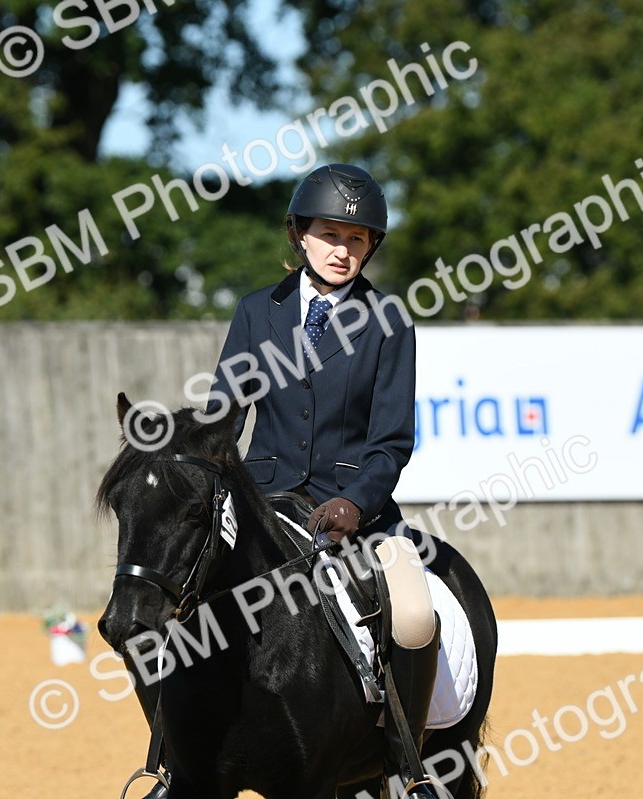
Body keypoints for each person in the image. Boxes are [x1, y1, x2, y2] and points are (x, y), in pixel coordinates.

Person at [164, 163, 439, 797]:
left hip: (354, 510)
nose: (342, 250)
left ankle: (407, 761)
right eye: (329, 234)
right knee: (182, 606)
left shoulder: (389, 321)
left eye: (357, 239)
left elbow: (393, 439)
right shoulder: (257, 312)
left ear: (370, 247)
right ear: (300, 236)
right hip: (263, 502)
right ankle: (170, 760)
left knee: (416, 615)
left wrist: (356, 501)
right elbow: (227, 412)